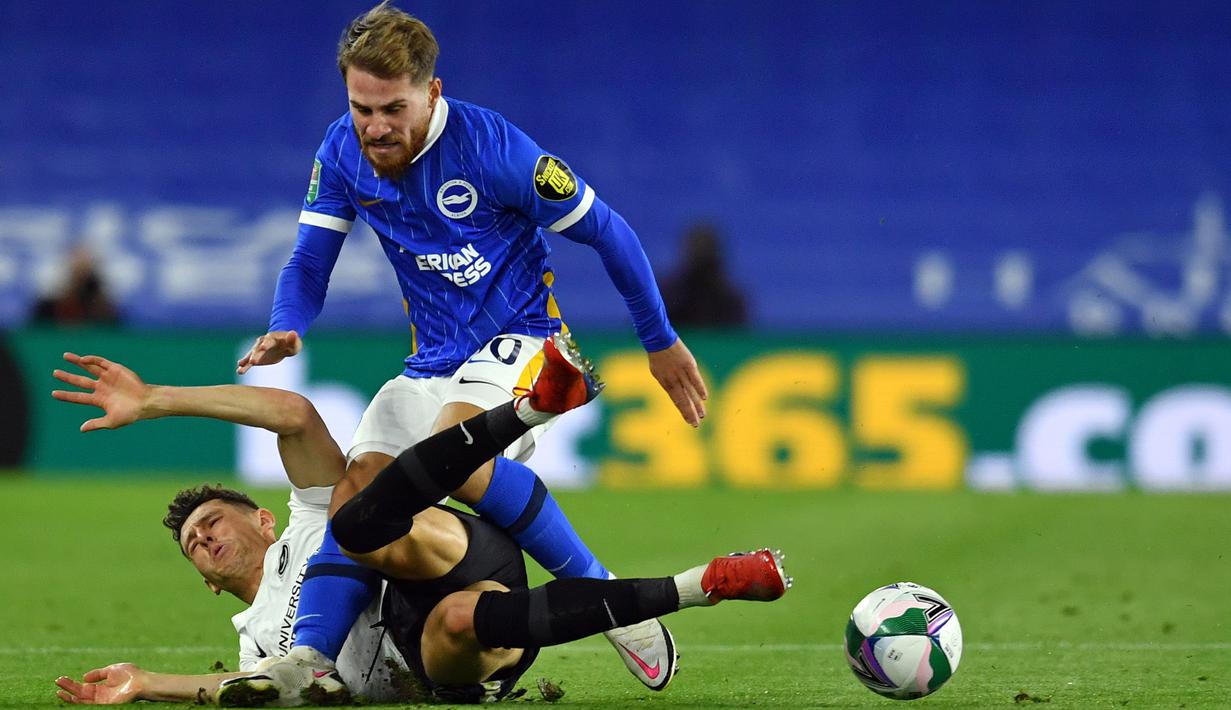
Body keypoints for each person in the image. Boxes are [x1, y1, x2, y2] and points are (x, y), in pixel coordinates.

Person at [232, 1, 707, 694]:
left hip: (526, 340)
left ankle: (604, 597)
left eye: (391, 108)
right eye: (361, 108)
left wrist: (658, 341)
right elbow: (309, 260)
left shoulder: (497, 151)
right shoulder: (340, 149)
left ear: (431, 91)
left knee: (453, 450)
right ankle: (311, 657)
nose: (374, 126)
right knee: (357, 490)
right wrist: (288, 321)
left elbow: (609, 231)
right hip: (432, 359)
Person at [50, 336, 789, 706]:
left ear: (264, 517)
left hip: (442, 551)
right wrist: (144, 682)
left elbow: (291, 413)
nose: (205, 538)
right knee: (458, 620)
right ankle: (699, 584)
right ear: (208, 584)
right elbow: (238, 691)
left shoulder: (306, 517)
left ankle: (531, 407)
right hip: (443, 653)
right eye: (193, 547)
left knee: (362, 510)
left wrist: (156, 400)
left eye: (212, 520)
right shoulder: (248, 643)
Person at [659, 221, 748, 327]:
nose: (702, 255)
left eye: (706, 249)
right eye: (698, 249)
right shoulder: (670, 297)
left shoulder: (731, 301)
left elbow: (737, 336)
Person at [29, 245, 119, 326]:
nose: (81, 271)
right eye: (77, 267)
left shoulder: (100, 302)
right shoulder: (49, 303)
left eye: (85, 267)